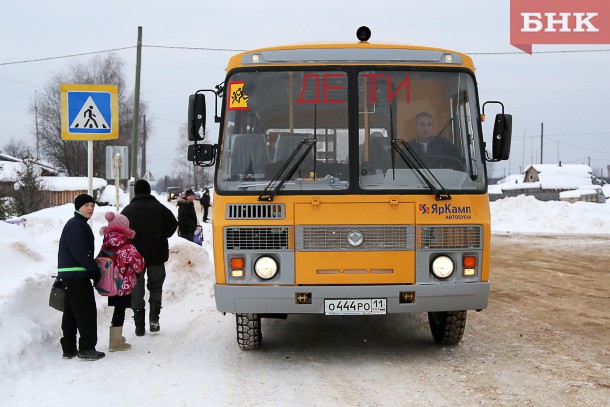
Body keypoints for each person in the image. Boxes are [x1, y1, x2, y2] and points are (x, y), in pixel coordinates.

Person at [121, 179, 178, 336]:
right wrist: (162, 235)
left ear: (136, 192)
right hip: (156, 255)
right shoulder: (159, 208)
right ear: (148, 191)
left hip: (134, 258)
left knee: (136, 289)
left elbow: (119, 232)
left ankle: (139, 326)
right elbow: (173, 224)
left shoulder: (127, 211)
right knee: (156, 287)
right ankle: (154, 320)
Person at [57, 193, 104, 361]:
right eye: (87, 205)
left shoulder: (77, 224)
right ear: (78, 207)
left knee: (71, 312)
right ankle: (86, 348)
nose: (90, 208)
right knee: (86, 312)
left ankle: (68, 348)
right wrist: (93, 270)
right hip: (77, 274)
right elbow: (80, 252)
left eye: (92, 205)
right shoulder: (77, 225)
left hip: (71, 275)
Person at [98, 211, 145, 351]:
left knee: (118, 310)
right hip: (123, 284)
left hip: (110, 283)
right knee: (120, 311)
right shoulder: (126, 246)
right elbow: (139, 264)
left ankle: (116, 339)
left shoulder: (106, 242)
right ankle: (115, 343)